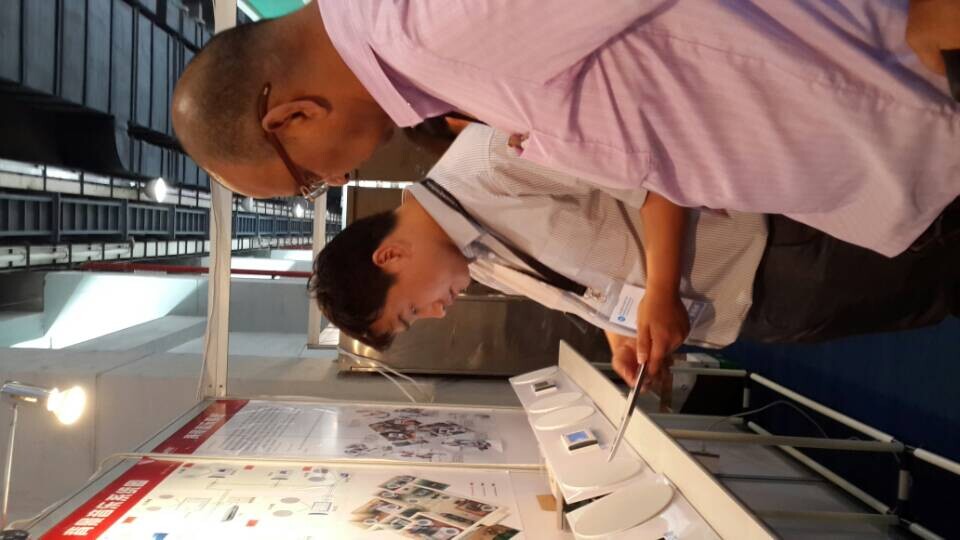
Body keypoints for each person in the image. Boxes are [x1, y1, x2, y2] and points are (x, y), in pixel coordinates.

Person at [173, 0, 960, 258]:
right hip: (892, 113)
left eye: (306, 178)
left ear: (291, 116)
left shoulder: (427, 31)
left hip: (903, 85)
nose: (336, 181)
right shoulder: (421, 49)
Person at [309, 124, 960, 385]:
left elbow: (656, 176)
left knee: (940, 244)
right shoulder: (472, 260)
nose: (435, 313)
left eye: (410, 311)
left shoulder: (489, 158)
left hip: (779, 248)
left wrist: (661, 292)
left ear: (390, 257)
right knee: (937, 298)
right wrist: (620, 331)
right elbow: (583, 280)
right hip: (750, 314)